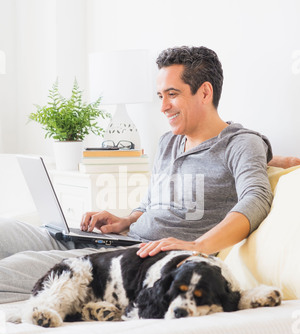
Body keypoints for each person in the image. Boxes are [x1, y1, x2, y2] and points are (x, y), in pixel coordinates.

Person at [0, 46, 293, 303]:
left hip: (135, 260)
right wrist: (125, 220)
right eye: (160, 95)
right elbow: (149, 204)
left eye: (172, 94)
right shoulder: (168, 141)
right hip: (119, 240)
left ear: (204, 92)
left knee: (14, 269)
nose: (163, 106)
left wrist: (198, 246)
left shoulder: (242, 143)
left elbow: (256, 198)